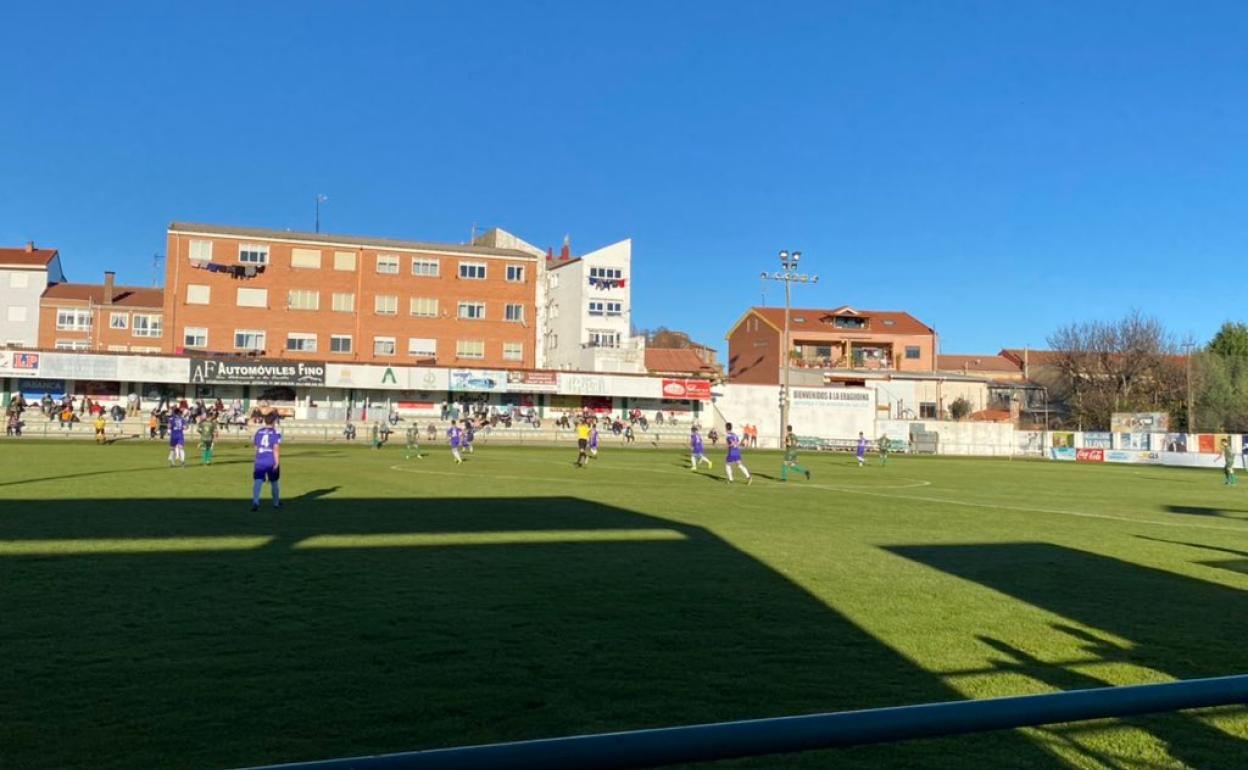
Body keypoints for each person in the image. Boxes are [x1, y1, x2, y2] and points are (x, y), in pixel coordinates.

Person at [251, 413, 282, 511]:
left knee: (258, 481)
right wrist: (277, 462)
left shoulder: (259, 432)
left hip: (260, 460)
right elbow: (276, 448)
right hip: (271, 460)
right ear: (274, 422)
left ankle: (256, 502)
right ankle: (276, 503)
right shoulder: (276, 433)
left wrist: (256, 459)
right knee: (274, 482)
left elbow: (256, 447)